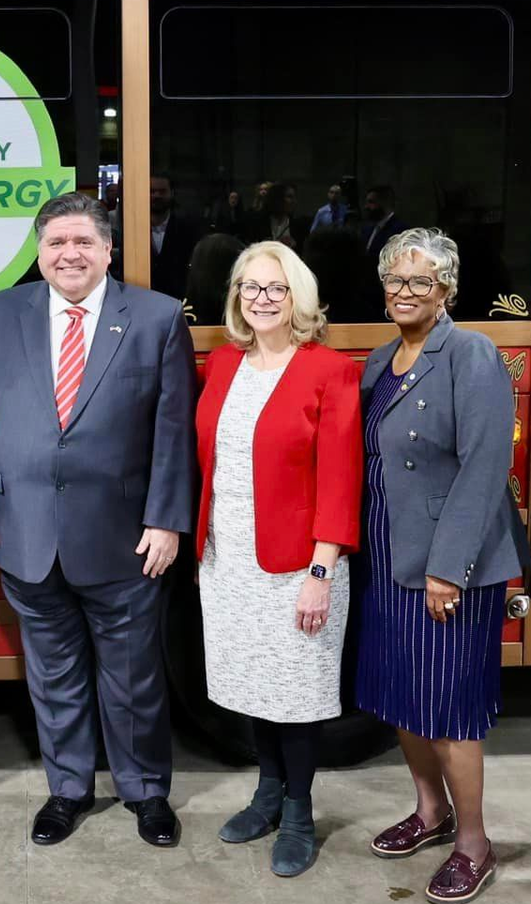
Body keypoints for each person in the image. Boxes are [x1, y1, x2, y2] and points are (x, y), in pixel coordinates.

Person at [0, 190, 197, 849]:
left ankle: (145, 792)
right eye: (56, 242)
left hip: (125, 538)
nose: (70, 254)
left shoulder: (155, 316)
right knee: (52, 674)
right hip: (24, 533)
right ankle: (67, 790)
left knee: (133, 676)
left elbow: (174, 429)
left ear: (108, 250)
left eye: (83, 241)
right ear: (39, 252)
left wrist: (167, 520)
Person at [358, 227, 524, 904]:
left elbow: (485, 469)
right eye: (394, 280)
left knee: (450, 708)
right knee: (404, 694)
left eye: (420, 281)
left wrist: (448, 568)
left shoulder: (471, 354)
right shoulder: (380, 360)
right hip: (387, 553)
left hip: (449, 563)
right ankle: (431, 812)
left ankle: (474, 843)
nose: (404, 292)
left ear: (446, 289)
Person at [195, 241, 362, 878]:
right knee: (252, 685)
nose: (261, 299)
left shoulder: (329, 370)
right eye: (250, 287)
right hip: (228, 557)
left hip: (299, 564)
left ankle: (298, 812)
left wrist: (321, 573)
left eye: (276, 288)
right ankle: (267, 794)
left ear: (298, 298)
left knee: (297, 693)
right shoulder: (222, 364)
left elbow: (340, 481)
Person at [148, 174, 203, 304]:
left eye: (162, 191)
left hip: (180, 301)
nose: (156, 196)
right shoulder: (133, 230)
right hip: (143, 300)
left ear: (171, 193)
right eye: (152, 191)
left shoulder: (188, 228)